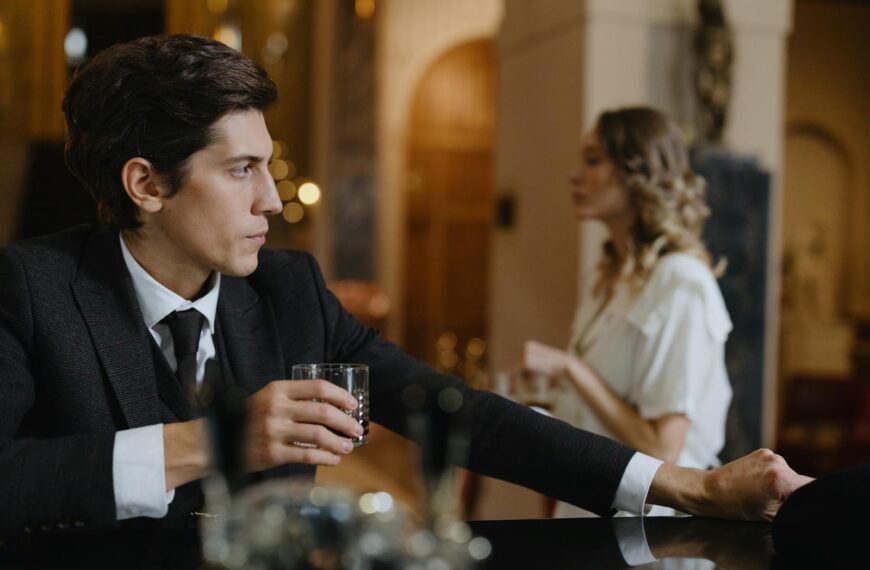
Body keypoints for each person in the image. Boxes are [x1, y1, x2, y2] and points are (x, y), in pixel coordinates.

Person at [0, 34, 808, 535]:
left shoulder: (290, 292)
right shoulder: (30, 289)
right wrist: (204, 445)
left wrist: (688, 486)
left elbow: (464, 415)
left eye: (267, 168)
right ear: (146, 184)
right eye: (240, 170)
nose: (272, 202)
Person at [521, 106, 733, 517]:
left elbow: (662, 450)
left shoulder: (682, 282)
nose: (575, 174)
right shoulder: (606, 276)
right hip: (591, 510)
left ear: (639, 173)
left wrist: (571, 369)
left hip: (653, 531)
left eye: (593, 160)